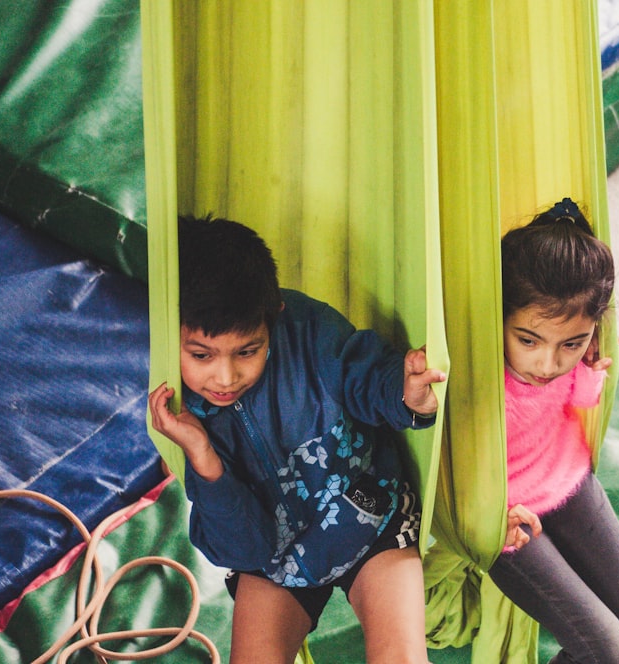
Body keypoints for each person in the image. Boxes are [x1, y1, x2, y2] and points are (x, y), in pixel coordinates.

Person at [148, 215, 446, 664]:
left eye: (247, 351)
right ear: (173, 335)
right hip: (275, 557)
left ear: (275, 316)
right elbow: (243, 549)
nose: (225, 377)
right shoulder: (185, 407)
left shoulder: (310, 329)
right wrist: (203, 456)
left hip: (368, 515)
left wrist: (406, 394)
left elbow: (366, 377)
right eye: (201, 355)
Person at [491, 198, 619, 664]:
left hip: (569, 481)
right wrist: (483, 515)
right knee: (609, 651)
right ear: (497, 319)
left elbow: (575, 399)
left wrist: (587, 369)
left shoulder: (576, 354)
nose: (548, 364)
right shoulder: (480, 375)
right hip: (510, 522)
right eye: (527, 340)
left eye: (572, 342)